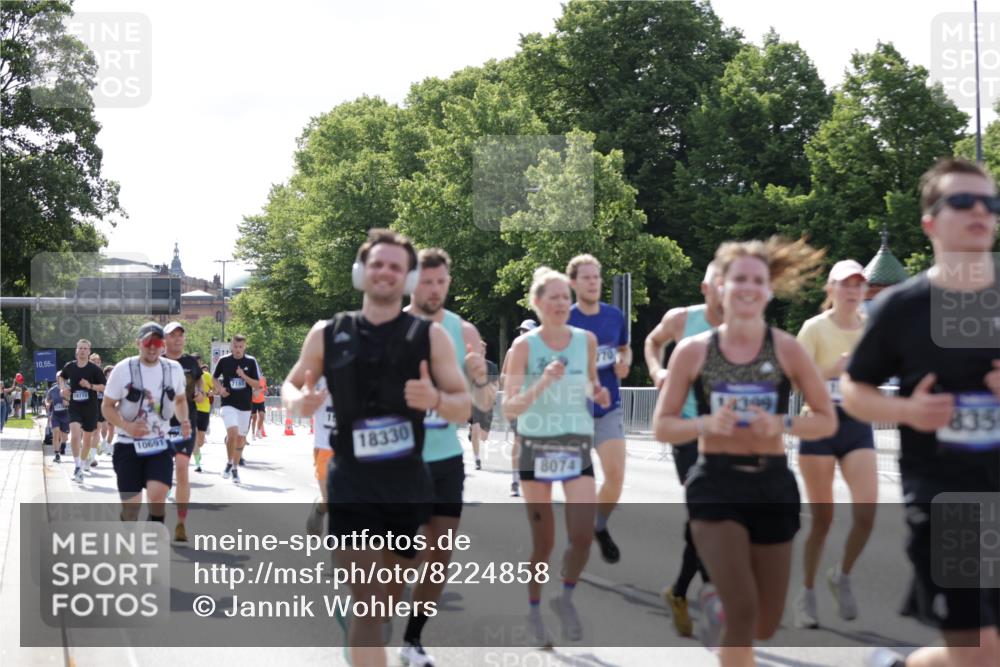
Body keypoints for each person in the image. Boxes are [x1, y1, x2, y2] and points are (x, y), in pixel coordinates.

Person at [281, 228, 470, 667]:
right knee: (368, 604)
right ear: (360, 273)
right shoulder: (327, 333)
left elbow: (464, 406)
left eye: (395, 267)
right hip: (351, 480)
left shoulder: (430, 337)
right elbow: (291, 384)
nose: (385, 272)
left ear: (406, 280)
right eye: (377, 264)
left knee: (383, 605)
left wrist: (437, 400)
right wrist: (299, 402)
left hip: (407, 482)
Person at [841, 158, 1000, 667]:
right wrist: (908, 408)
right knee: (980, 652)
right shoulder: (902, 308)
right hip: (945, 499)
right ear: (930, 221)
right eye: (962, 201)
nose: (979, 210)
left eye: (989, 203)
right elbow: (853, 390)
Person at [652, 237, 835, 663]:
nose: (749, 288)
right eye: (739, 280)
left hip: (772, 483)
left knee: (766, 623)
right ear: (720, 286)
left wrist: (784, 423)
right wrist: (705, 424)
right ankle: (724, 604)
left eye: (758, 280)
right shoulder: (694, 351)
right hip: (716, 481)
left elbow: (826, 419)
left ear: (769, 289)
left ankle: (719, 607)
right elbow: (662, 426)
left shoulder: (786, 348)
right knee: (743, 610)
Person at [502, 267, 610, 645]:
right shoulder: (524, 348)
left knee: (582, 536)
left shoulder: (587, 340)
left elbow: (591, 381)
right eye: (554, 297)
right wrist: (543, 382)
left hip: (575, 443)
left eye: (567, 296)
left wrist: (597, 393)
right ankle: (533, 613)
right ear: (538, 303)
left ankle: (563, 598)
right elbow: (510, 409)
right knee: (544, 543)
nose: (563, 303)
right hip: (536, 446)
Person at [400, 247, 495, 666]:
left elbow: (485, 402)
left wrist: (481, 380)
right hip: (397, 460)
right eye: (426, 282)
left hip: (444, 458)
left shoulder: (465, 332)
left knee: (438, 558)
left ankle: (412, 640)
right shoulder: (390, 326)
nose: (434, 290)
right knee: (403, 559)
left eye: (441, 282)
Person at [792, 259, 878, 629]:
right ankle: (807, 594)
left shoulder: (872, 328)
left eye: (858, 285)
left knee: (867, 513)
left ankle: (841, 575)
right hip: (819, 423)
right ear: (830, 289)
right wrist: (832, 370)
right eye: (845, 284)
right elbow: (796, 380)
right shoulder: (814, 328)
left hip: (857, 423)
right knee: (823, 520)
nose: (852, 291)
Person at [643, 261, 723, 636]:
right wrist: (658, 372)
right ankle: (712, 592)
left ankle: (679, 591)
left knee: (714, 515)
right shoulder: (681, 320)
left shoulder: (746, 326)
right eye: (716, 283)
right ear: (704, 288)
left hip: (729, 436)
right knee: (705, 510)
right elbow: (652, 341)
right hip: (687, 429)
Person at [566, 254, 631, 564]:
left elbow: (624, 349)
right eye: (587, 277)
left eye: (597, 276)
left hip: (608, 407)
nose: (593, 282)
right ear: (573, 283)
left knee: (616, 477)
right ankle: (574, 549)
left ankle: (599, 526)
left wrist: (624, 363)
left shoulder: (614, 316)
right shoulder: (564, 319)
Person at [101, 322, 190, 523]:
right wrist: (126, 425)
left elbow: (181, 399)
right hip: (127, 445)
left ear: (163, 345)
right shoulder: (123, 369)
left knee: (158, 497)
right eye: (147, 342)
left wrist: (184, 420)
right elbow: (106, 406)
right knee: (132, 508)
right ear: (138, 343)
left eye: (157, 342)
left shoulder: (173, 369)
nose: (152, 347)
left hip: (159, 444)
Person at [162, 321, 203, 542]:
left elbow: (199, 384)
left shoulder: (190, 362)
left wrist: (200, 392)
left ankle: (180, 524)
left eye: (181, 335)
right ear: (165, 339)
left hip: (186, 420)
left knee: (182, 468)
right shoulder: (157, 361)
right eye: (173, 335)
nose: (178, 339)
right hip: (161, 423)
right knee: (160, 473)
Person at [213, 334, 262, 482]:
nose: (238, 349)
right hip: (228, 403)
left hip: (245, 406)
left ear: (244, 346)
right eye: (235, 346)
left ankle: (234, 468)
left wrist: (243, 376)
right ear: (231, 346)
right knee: (233, 433)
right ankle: (228, 462)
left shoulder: (251, 361)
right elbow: (214, 378)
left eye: (241, 347)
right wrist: (220, 389)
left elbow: (257, 384)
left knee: (240, 439)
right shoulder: (224, 361)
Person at [500, 318, 538, 497]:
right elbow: (503, 376)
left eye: (526, 331)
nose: (522, 334)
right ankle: (515, 480)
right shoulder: (512, 351)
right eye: (521, 330)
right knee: (519, 440)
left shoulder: (540, 353)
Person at [59, 340, 106, 483]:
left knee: (87, 440)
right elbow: (61, 376)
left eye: (86, 348)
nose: (83, 351)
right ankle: (77, 466)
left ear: (89, 351)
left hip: (90, 408)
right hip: (75, 406)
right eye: (80, 348)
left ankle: (84, 461)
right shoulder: (70, 366)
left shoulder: (94, 369)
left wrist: (90, 385)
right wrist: (62, 388)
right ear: (76, 350)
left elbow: (104, 387)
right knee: (74, 434)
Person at [468, 339, 499, 470]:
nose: (480, 353)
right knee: (476, 430)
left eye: (482, 350)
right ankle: (477, 459)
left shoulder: (491, 366)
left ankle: (472, 432)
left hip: (487, 403)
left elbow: (496, 384)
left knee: (484, 437)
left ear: (485, 352)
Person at [192, 361, 213, 473]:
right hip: (192, 409)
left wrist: (210, 393)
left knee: (200, 441)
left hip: (204, 409)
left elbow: (215, 389)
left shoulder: (206, 376)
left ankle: (196, 451)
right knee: (193, 435)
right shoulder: (188, 375)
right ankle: (197, 463)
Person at [46, 376, 69, 462]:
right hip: (55, 415)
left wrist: (66, 399)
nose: (61, 380)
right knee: (56, 433)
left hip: (66, 415)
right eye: (59, 378)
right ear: (57, 379)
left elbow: (70, 402)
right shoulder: (52, 390)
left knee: (65, 437)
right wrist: (48, 404)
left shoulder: (69, 388)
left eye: (63, 378)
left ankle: (63, 444)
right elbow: (47, 399)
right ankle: (57, 454)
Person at [250, 373, 267, 439]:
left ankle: (258, 431)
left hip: (261, 401)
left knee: (262, 416)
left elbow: (265, 389)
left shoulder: (264, 379)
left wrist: (264, 390)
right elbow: (253, 392)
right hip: (253, 402)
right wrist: (259, 390)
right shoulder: (252, 379)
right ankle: (253, 434)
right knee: (254, 418)